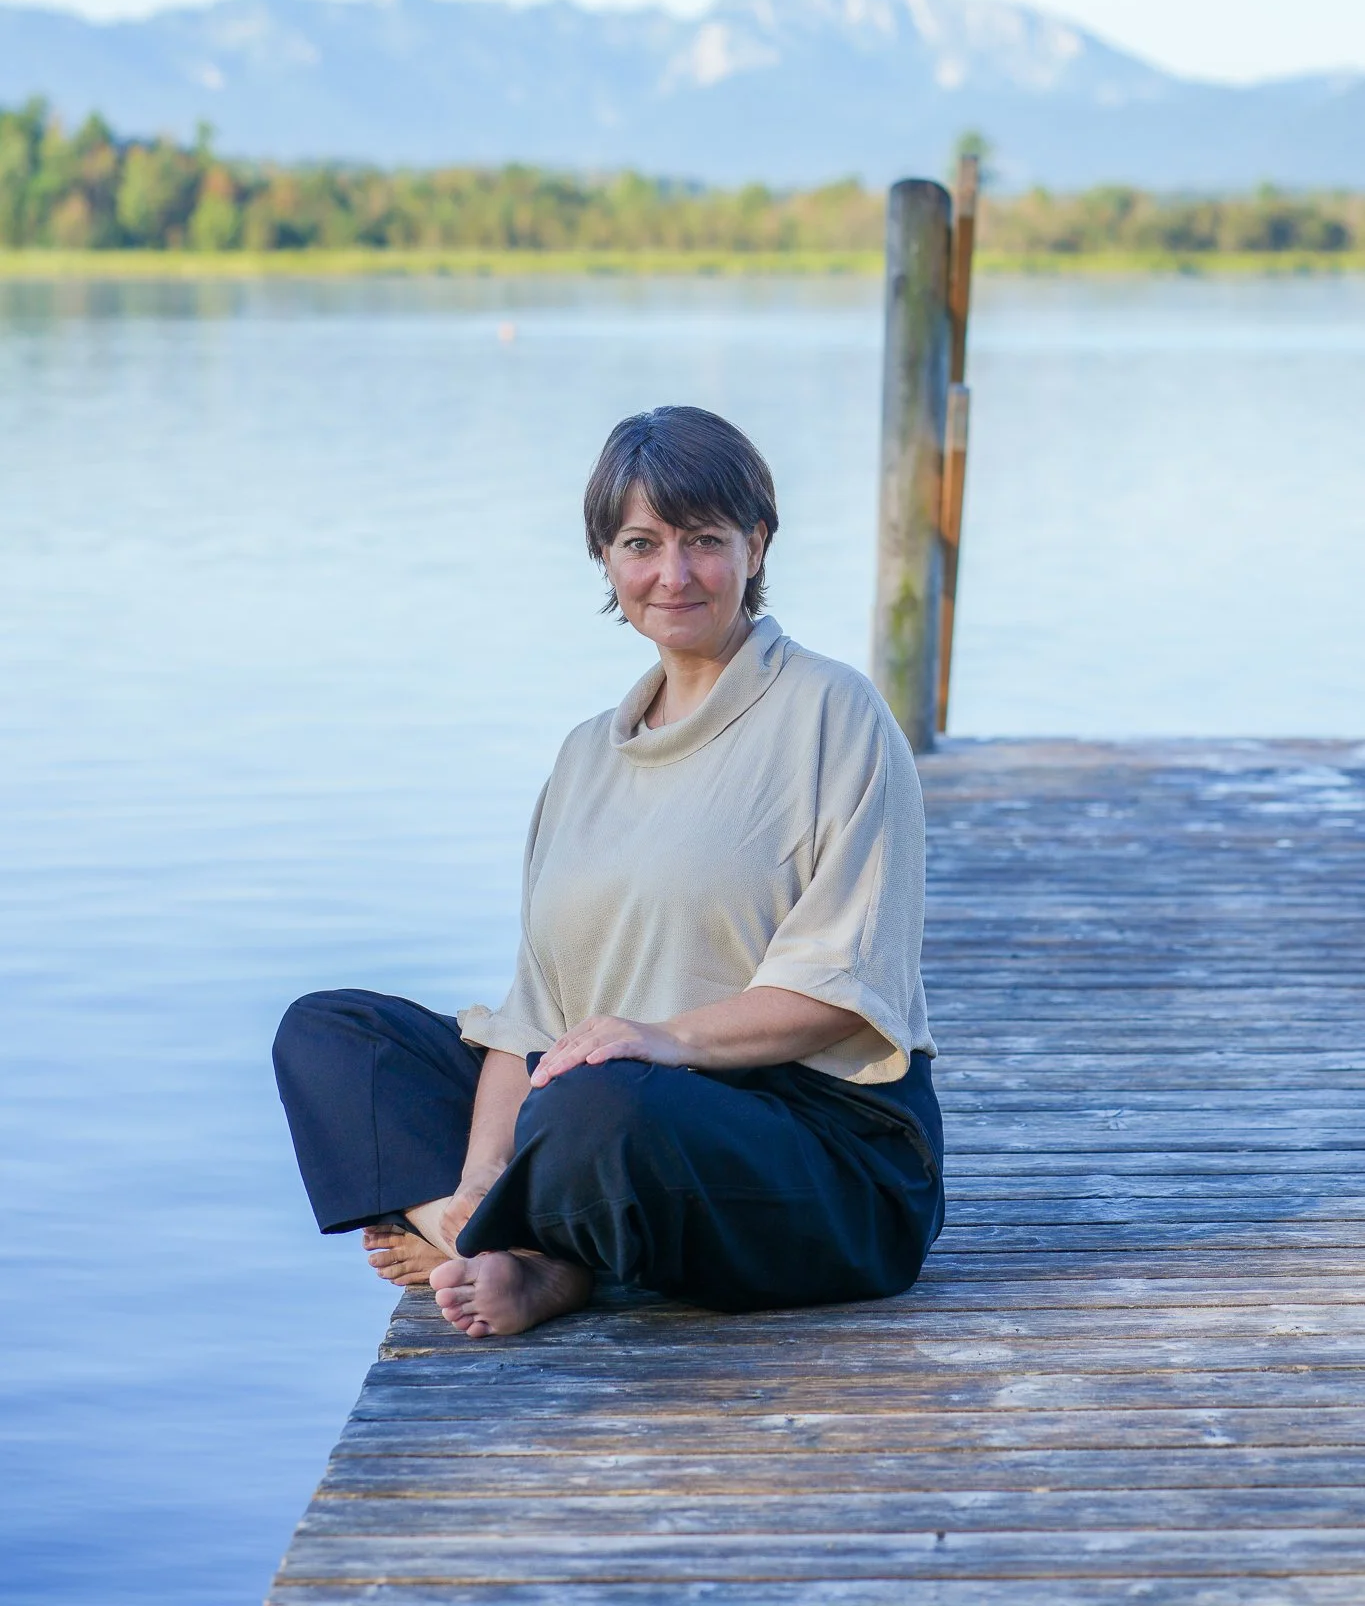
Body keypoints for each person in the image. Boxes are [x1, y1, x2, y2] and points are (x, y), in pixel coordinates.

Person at [273, 404, 943, 1338]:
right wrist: (477, 1178)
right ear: (604, 558)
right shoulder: (586, 755)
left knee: (598, 1100)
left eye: (704, 540)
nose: (673, 574)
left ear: (755, 545)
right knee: (332, 1033)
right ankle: (486, 1235)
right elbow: (533, 1024)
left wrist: (660, 1039)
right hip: (605, 1108)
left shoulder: (835, 713)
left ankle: (547, 1259)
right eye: (640, 544)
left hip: (817, 1150)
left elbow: (843, 991)